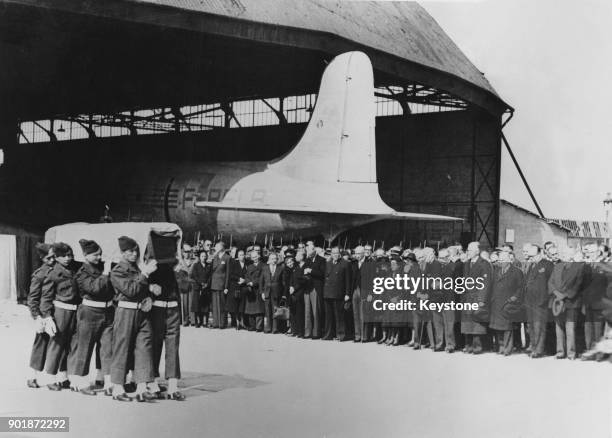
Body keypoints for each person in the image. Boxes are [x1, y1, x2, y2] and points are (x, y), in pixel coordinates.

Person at [109, 236, 158, 402]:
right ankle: (117, 387)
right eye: (130, 251)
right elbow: (131, 290)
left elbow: (142, 289)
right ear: (123, 253)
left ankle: (142, 387)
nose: (134, 253)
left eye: (136, 250)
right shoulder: (117, 271)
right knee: (122, 348)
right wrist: (145, 275)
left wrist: (150, 293)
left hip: (142, 312)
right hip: (126, 312)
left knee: (144, 347)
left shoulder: (137, 269)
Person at [71, 239, 114, 395]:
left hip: (108, 311)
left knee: (108, 348)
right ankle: (81, 382)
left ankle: (108, 381)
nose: (99, 257)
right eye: (95, 255)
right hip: (90, 312)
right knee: (85, 347)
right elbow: (95, 289)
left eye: (100, 254)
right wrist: (105, 273)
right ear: (85, 255)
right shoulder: (82, 273)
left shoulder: (103, 267)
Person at [40, 242, 81, 391]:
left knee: (71, 345)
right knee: (56, 345)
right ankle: (50, 378)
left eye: (70, 255)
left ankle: (64, 376)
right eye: (64, 256)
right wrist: (47, 317)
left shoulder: (74, 270)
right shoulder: (52, 273)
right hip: (60, 312)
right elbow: (45, 297)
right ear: (56, 257)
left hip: (75, 311)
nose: (68, 258)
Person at [148, 262, 186, 401]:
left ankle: (173, 386)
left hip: (173, 309)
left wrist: (179, 272)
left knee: (173, 347)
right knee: (155, 346)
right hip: (157, 308)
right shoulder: (152, 258)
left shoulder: (176, 262)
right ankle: (152, 383)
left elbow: (186, 287)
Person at [26, 243, 55, 388]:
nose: (52, 260)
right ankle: (32, 376)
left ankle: (58, 377)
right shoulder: (39, 274)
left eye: (54, 257)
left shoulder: (57, 270)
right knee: (40, 344)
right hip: (44, 315)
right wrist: (37, 317)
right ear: (42, 258)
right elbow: (33, 298)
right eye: (48, 258)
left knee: (57, 346)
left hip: (56, 312)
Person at [548, 247, 585, 360]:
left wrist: (565, 295)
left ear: (572, 255)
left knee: (570, 327)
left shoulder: (579, 267)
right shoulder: (557, 266)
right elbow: (550, 282)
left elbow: (578, 285)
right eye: (562, 252)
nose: (563, 254)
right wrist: (556, 292)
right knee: (558, 327)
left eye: (566, 253)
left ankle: (571, 353)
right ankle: (560, 352)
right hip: (557, 302)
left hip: (571, 302)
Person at [489, 248, 524, 355]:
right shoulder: (496, 271)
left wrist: (514, 298)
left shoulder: (517, 272)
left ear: (509, 260)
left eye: (503, 259)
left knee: (507, 327)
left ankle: (507, 348)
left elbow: (521, 288)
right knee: (498, 327)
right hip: (496, 303)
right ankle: (501, 346)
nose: (501, 261)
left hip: (508, 303)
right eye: (500, 259)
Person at [460, 241, 493, 354]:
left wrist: (481, 300)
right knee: (467, 323)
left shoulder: (484, 264)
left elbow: (486, 283)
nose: (467, 252)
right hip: (467, 298)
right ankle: (468, 345)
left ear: (477, 251)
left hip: (477, 298)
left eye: (469, 249)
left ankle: (477, 347)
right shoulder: (466, 263)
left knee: (477, 323)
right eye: (467, 249)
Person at [523, 245, 553, 358]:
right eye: (530, 256)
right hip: (530, 301)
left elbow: (551, 283)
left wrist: (546, 298)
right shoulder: (531, 265)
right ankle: (533, 347)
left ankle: (539, 350)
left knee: (539, 327)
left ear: (540, 253)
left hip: (541, 301)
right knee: (531, 326)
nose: (531, 257)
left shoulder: (548, 265)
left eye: (533, 255)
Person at [582, 244, 607, 352]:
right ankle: (589, 350)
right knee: (588, 328)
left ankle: (598, 352)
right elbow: (582, 286)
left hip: (600, 303)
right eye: (589, 252)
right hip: (587, 303)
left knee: (598, 329)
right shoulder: (586, 267)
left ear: (598, 253)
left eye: (593, 252)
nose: (591, 254)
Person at [322, 247, 351, 341]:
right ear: (331, 254)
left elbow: (348, 280)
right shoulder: (328, 263)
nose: (335, 255)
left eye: (337, 253)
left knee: (339, 316)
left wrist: (347, 293)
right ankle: (328, 334)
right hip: (328, 293)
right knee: (328, 316)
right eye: (333, 253)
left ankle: (341, 335)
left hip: (339, 293)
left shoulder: (345, 264)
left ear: (340, 254)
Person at [304, 243, 325, 339]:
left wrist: (310, 271)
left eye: (309, 251)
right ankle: (307, 332)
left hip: (316, 288)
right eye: (307, 251)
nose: (307, 253)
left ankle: (316, 333)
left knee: (316, 311)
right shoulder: (307, 260)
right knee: (307, 311)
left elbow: (322, 273)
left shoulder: (321, 260)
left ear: (314, 251)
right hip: (307, 288)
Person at [260, 252, 285, 333]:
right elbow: (261, 281)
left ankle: (275, 328)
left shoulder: (280, 268)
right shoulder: (264, 268)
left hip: (276, 292)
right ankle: (268, 327)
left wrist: (283, 294)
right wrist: (262, 292)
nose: (274, 260)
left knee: (275, 310)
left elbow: (283, 282)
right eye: (272, 259)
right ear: (269, 260)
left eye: (275, 259)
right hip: (267, 291)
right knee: (267, 310)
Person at [209, 242, 231, 329]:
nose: (215, 248)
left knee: (222, 305)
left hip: (222, 284)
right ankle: (215, 323)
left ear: (222, 248)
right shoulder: (215, 257)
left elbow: (228, 273)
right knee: (214, 305)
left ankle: (222, 323)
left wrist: (226, 286)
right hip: (214, 283)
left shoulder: (227, 257)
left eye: (217, 247)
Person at [189, 250, 210, 327]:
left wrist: (207, 283)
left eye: (205, 256)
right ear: (199, 257)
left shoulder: (208, 265)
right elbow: (194, 276)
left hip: (206, 288)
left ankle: (205, 322)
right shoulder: (196, 265)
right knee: (197, 305)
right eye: (202, 256)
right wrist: (201, 283)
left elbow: (210, 276)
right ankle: (198, 321)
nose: (204, 258)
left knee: (205, 305)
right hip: (198, 287)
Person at [244, 249, 265, 331]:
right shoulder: (249, 267)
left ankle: (259, 327)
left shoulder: (263, 265)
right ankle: (252, 326)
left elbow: (262, 278)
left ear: (259, 256)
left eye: (256, 256)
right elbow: (246, 276)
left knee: (259, 309)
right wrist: (248, 282)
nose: (254, 258)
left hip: (258, 289)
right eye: (253, 257)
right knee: (250, 309)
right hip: (250, 290)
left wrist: (253, 283)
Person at [228, 249, 249, 330]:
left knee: (242, 305)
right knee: (236, 306)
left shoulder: (247, 263)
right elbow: (231, 275)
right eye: (240, 255)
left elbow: (249, 274)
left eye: (243, 254)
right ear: (237, 256)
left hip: (244, 287)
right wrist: (239, 279)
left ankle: (243, 322)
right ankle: (237, 322)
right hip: (235, 287)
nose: (242, 256)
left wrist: (244, 280)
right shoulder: (234, 263)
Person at [288, 251, 307, 338]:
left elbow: (303, 280)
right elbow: (292, 278)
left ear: (302, 256)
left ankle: (301, 332)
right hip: (293, 293)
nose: (295, 257)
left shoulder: (305, 266)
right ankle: (294, 330)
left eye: (297, 255)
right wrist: (291, 286)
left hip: (301, 292)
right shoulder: (295, 267)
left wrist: (294, 288)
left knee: (300, 313)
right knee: (293, 313)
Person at [351, 246, 365, 342]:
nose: (357, 255)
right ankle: (357, 335)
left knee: (362, 314)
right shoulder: (353, 263)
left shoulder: (369, 263)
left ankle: (364, 336)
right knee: (355, 313)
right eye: (356, 253)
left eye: (359, 253)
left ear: (363, 253)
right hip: (355, 290)